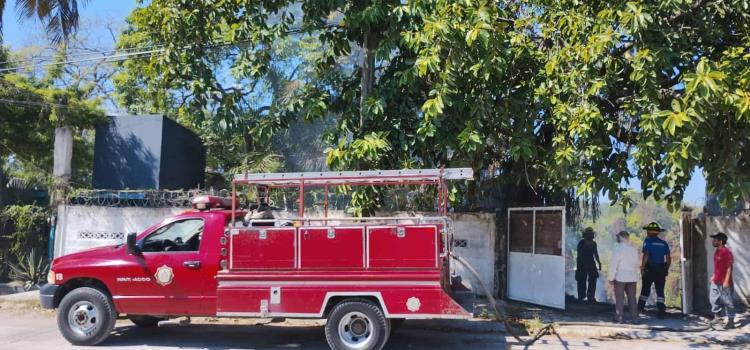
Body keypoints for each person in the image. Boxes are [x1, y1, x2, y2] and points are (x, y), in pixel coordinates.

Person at [638, 222, 671, 318]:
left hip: (650, 269)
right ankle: (661, 312)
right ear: (657, 232)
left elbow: (646, 255)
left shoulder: (647, 242)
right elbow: (668, 258)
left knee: (645, 289)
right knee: (660, 291)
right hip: (661, 269)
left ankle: (640, 308)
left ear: (649, 231)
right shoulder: (663, 243)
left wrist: (642, 267)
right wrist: (666, 268)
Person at [608, 231, 640, 323]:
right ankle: (635, 318)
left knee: (619, 298)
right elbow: (636, 264)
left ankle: (619, 317)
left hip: (621, 277)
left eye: (618, 237)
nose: (617, 238)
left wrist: (611, 277)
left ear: (622, 237)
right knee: (632, 298)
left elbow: (614, 264)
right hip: (632, 276)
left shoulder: (618, 249)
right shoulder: (633, 249)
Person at [709, 232, 735, 329]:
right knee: (713, 299)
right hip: (716, 281)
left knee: (728, 302)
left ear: (720, 241)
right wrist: (714, 275)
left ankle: (731, 321)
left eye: (715, 240)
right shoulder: (717, 251)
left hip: (724, 282)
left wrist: (726, 281)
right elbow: (718, 267)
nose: (713, 241)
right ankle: (718, 317)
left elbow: (729, 267)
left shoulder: (726, 252)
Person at [576, 227, 601, 303]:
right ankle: (582, 296)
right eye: (589, 234)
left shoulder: (593, 243)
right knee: (581, 280)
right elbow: (579, 254)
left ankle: (590, 296)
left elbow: (595, 254)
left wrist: (599, 263)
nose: (590, 235)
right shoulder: (581, 243)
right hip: (582, 263)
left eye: (591, 234)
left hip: (589, 263)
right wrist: (598, 263)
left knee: (593, 278)